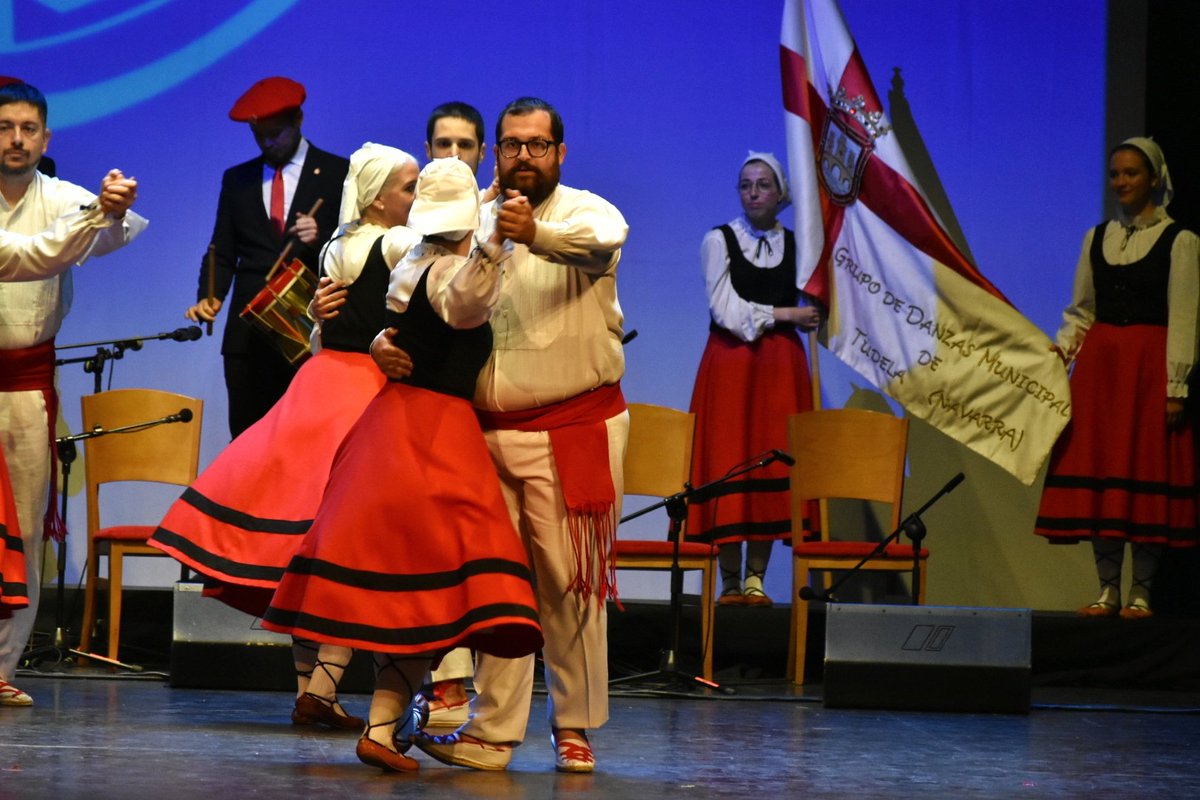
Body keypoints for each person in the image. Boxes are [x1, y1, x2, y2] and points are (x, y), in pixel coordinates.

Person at [261, 157, 541, 773]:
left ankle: (382, 728)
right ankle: (383, 725)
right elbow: (465, 301)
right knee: (436, 593)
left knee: (416, 596)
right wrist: (492, 240)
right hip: (432, 437)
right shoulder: (445, 269)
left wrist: (491, 201)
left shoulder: (414, 257)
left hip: (388, 431)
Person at [150, 143, 421, 728]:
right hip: (365, 395)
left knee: (305, 547)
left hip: (319, 387)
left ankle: (312, 690)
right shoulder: (399, 244)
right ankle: (321, 688)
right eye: (409, 187)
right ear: (377, 198)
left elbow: (327, 326)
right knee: (350, 550)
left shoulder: (334, 243)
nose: (417, 197)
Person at [405, 97, 629, 773]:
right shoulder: (469, 217)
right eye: (511, 145)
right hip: (484, 432)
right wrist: (494, 242)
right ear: (495, 152)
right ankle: (494, 732)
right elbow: (450, 304)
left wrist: (534, 234)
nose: (523, 157)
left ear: (559, 152)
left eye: (537, 145)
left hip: (572, 425)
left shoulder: (586, 209)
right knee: (498, 585)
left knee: (569, 584)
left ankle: (575, 725)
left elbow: (604, 245)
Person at [308, 101, 493, 729]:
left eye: (464, 146)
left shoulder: (346, 244)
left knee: (363, 553)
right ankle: (434, 697)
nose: (452, 157)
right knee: (427, 561)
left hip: (358, 401)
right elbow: (453, 296)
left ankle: (331, 691)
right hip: (403, 412)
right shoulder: (407, 247)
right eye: (439, 148)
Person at [0, 81, 146, 706]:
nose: (16, 139)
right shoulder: (63, 215)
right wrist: (97, 218)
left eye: (28, 128)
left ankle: (0, 667)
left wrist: (109, 206)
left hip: (27, 385)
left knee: (26, 529)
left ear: (46, 137)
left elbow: (116, 235)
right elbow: (28, 256)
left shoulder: (61, 196)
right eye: (5, 126)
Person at [1035, 137, 1200, 619]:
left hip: (1147, 371)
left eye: (1131, 173)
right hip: (1103, 373)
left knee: (1143, 470)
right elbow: (1081, 310)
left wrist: (1176, 386)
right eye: (1115, 174)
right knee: (1105, 473)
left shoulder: (1180, 241)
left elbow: (1185, 316)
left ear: (1153, 179)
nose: (1122, 182)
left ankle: (1141, 591)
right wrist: (1063, 349)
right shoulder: (1096, 237)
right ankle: (1108, 588)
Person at [685, 152, 820, 607]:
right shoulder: (718, 240)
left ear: (780, 193)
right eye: (746, 184)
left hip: (779, 368)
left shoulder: (800, 246)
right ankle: (727, 580)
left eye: (763, 184)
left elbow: (821, 301)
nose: (754, 192)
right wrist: (787, 314)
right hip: (732, 364)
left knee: (770, 455)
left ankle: (756, 579)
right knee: (728, 460)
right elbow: (728, 312)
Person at [185, 76, 348, 438]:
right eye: (260, 136)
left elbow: (355, 248)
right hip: (248, 332)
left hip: (306, 326)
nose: (268, 143)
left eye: (276, 133)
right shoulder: (238, 180)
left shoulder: (338, 173)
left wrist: (319, 237)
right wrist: (209, 296)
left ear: (298, 121)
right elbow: (221, 249)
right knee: (248, 439)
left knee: (307, 438)